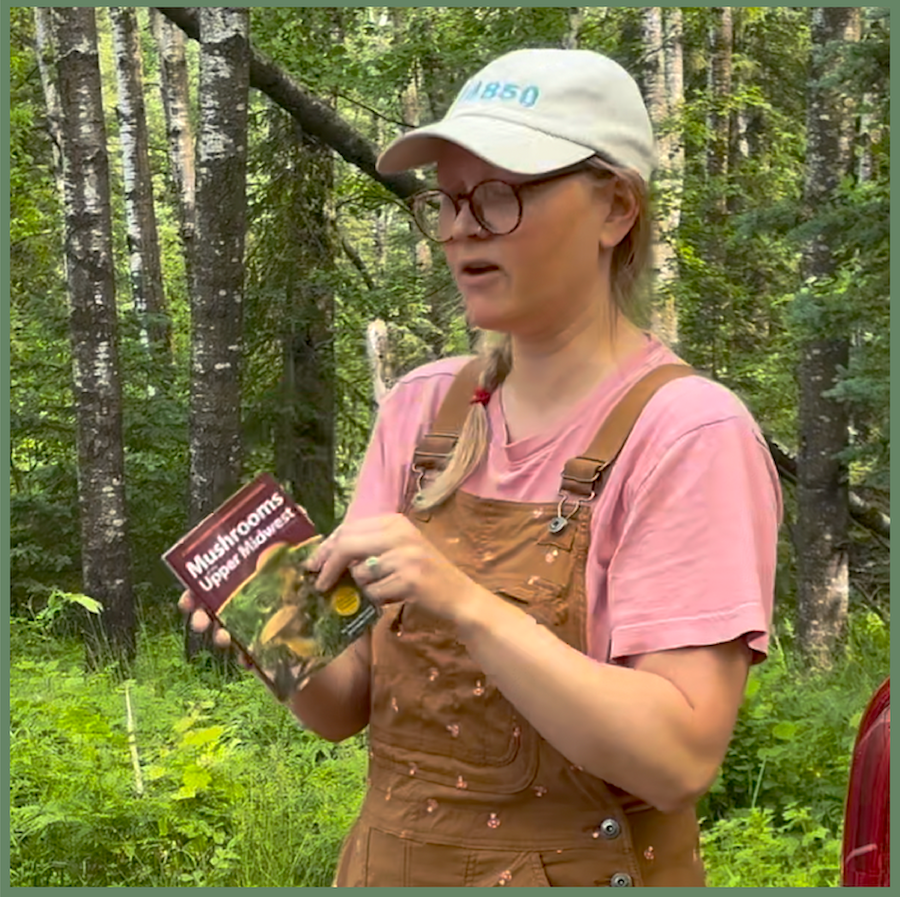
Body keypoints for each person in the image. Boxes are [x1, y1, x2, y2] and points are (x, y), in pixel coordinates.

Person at [182, 47, 781, 887]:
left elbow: (677, 758)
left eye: (501, 194)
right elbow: (346, 705)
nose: (463, 225)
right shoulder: (422, 410)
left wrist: (465, 603)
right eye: (450, 200)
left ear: (616, 207)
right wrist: (275, 636)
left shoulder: (686, 432)